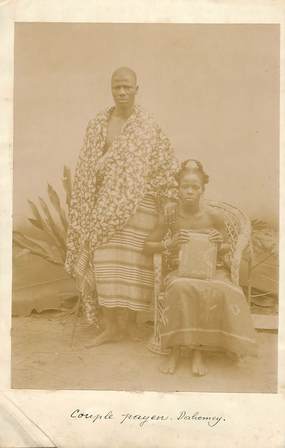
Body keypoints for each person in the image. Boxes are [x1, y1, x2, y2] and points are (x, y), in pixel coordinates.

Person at [65, 67, 178, 346]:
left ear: (137, 89)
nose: (122, 92)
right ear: (111, 90)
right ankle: (110, 328)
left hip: (140, 207)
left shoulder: (148, 126)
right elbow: (87, 166)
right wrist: (87, 206)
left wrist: (164, 215)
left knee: (131, 269)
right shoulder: (97, 124)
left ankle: (126, 327)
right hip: (104, 208)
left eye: (127, 86)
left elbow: (165, 168)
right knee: (104, 264)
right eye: (117, 87)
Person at [144, 159, 257, 376]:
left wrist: (218, 242)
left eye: (194, 187)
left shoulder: (214, 216)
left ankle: (198, 353)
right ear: (177, 189)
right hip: (180, 270)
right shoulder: (169, 214)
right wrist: (170, 243)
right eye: (184, 186)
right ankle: (175, 351)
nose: (189, 191)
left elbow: (227, 248)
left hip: (211, 271)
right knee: (180, 288)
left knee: (223, 289)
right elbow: (147, 246)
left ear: (202, 190)